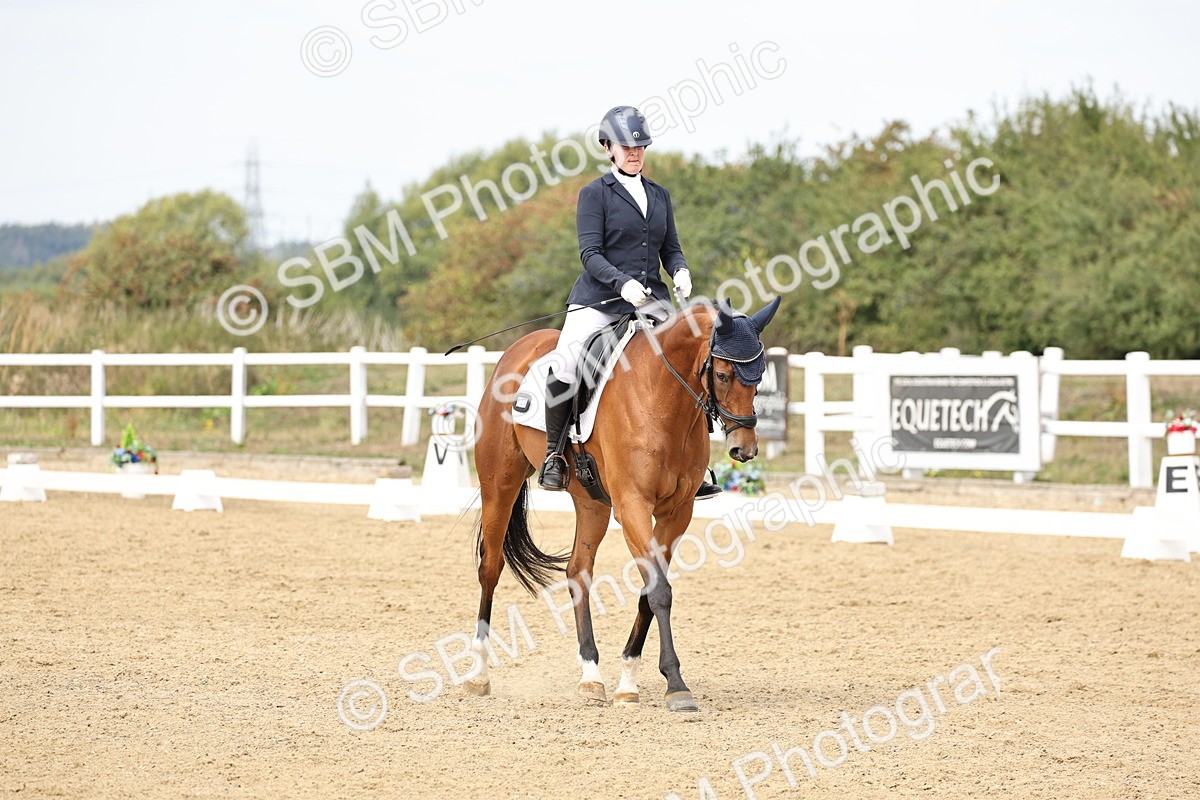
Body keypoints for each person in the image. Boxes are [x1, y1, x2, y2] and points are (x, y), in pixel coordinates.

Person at [538, 105, 721, 501]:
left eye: (640, 146)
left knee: (692, 357)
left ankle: (694, 462)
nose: (635, 152)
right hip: (600, 299)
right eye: (626, 147)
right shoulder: (594, 194)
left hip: (650, 303)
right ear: (608, 148)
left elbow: (670, 249)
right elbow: (590, 253)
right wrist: (621, 284)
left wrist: (681, 270)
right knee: (567, 360)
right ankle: (554, 454)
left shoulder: (660, 195)